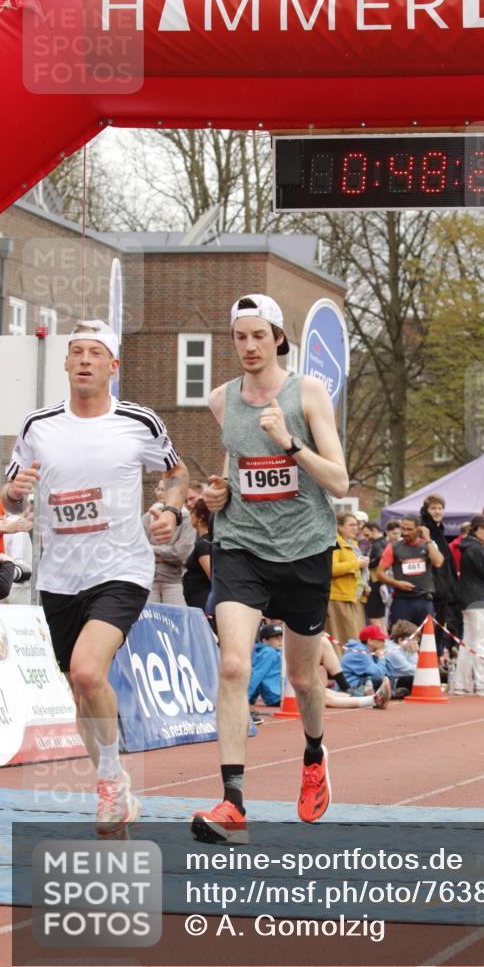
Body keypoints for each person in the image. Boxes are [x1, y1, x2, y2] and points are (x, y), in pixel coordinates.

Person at [2, 318, 188, 833]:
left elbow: (176, 473)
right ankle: (112, 782)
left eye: (94, 353)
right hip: (59, 575)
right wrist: (14, 491)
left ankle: (109, 781)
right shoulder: (38, 425)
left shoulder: (139, 422)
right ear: (65, 363)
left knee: (88, 671)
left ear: (112, 366)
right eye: (76, 351)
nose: (84, 360)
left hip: (122, 566)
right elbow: (10, 488)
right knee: (78, 688)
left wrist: (171, 510)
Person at [192, 294, 348, 845]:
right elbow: (235, 466)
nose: (250, 346)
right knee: (233, 665)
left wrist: (290, 443)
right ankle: (233, 804)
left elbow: (339, 481)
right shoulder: (220, 400)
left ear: (278, 337)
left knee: (303, 678)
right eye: (240, 337)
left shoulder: (307, 391)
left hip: (305, 548)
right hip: (242, 546)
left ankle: (312, 753)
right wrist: (216, 494)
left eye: (260, 335)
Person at [452, 516, 484, 696]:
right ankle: (482, 683)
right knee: (481, 642)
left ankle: (461, 683)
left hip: (470, 599)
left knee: (468, 643)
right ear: (474, 529)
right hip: (478, 599)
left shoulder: (469, 547)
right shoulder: (475, 548)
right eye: (483, 528)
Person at [376, 514, 444, 626]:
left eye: (409, 529)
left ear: (418, 529)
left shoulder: (427, 545)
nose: (405, 532)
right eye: (403, 528)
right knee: (400, 638)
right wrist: (396, 583)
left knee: (427, 639)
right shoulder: (393, 547)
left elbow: (438, 562)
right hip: (401, 601)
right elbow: (379, 573)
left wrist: (427, 539)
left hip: (424, 599)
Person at [142, 478, 195, 606]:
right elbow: (140, 549)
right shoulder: (147, 517)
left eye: (164, 489)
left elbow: (182, 553)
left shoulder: (186, 519)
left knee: (178, 620)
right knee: (150, 621)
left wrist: (154, 549)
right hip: (149, 580)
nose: (160, 493)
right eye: (158, 489)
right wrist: (168, 554)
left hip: (173, 581)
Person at [420, 494, 459, 657]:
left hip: (443, 590)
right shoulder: (425, 530)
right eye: (433, 508)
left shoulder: (439, 530)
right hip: (432, 590)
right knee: (430, 634)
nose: (437, 511)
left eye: (440, 508)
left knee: (438, 634)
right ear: (426, 510)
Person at [325, 512, 368, 646]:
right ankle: (341, 666)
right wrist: (357, 564)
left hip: (354, 598)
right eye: (351, 525)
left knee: (355, 638)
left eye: (356, 525)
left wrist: (365, 586)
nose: (355, 528)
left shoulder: (353, 544)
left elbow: (357, 573)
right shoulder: (335, 543)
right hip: (338, 599)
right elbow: (331, 569)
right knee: (345, 640)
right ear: (340, 526)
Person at [182, 498, 212, 610]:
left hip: (203, 600)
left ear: (200, 517)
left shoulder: (203, 544)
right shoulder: (207, 540)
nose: (190, 516)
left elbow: (212, 576)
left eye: (192, 513)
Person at [361, 521, 387, 629]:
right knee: (380, 616)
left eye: (367, 535)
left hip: (376, 583)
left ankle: (380, 641)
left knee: (374, 616)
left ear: (374, 530)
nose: (366, 538)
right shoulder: (384, 542)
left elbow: (379, 559)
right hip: (382, 582)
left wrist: (366, 564)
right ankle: (384, 642)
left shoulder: (377, 544)